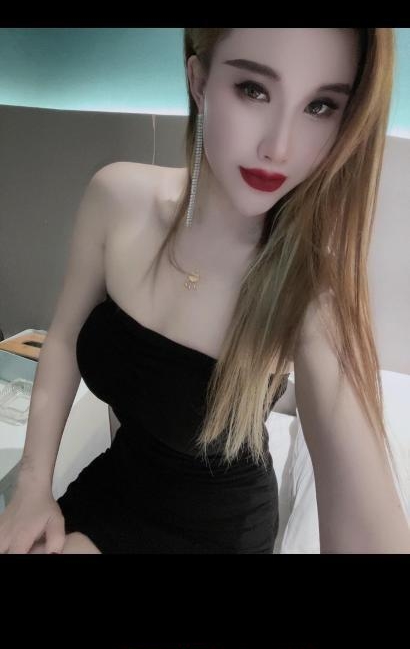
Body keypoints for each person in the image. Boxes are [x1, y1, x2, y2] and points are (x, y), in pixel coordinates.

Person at [0, 28, 409, 553]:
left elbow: (367, 526)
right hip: (119, 482)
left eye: (320, 106)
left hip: (218, 530)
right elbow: (61, 340)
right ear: (199, 81)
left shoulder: (313, 291)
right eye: (253, 90)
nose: (279, 147)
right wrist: (33, 484)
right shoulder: (116, 198)